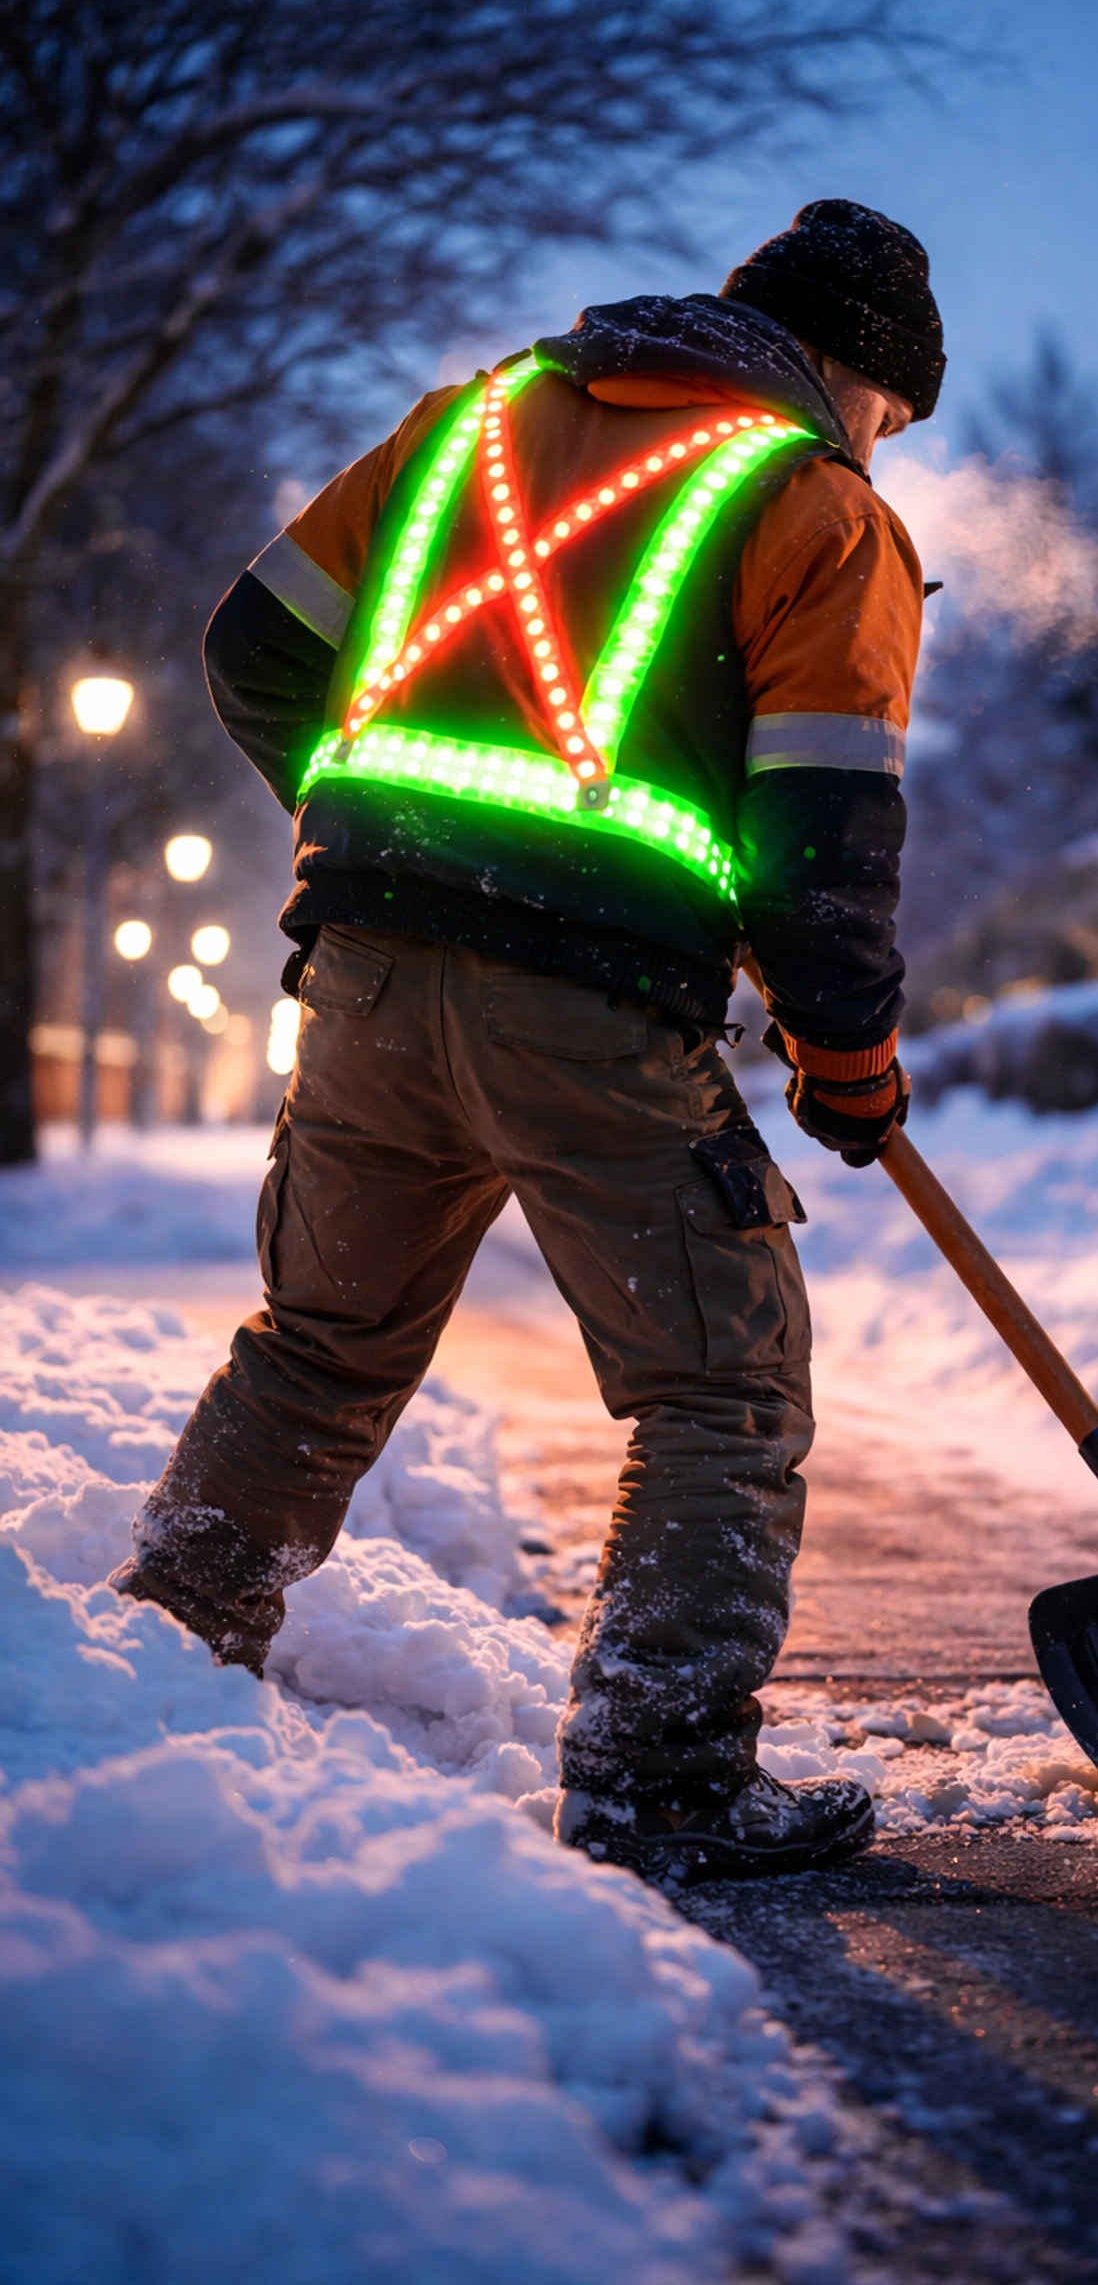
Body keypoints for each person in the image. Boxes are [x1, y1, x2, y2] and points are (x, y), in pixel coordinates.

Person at [111, 198, 943, 1887]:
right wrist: (844, 1056)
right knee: (721, 1389)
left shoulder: (468, 422)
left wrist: (383, 845)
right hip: (587, 1017)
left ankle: (147, 1685)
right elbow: (825, 831)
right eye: (891, 414)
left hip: (362, 985)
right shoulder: (818, 507)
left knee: (317, 1352)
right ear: (849, 369)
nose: (881, 445)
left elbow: (253, 647)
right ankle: (661, 1783)